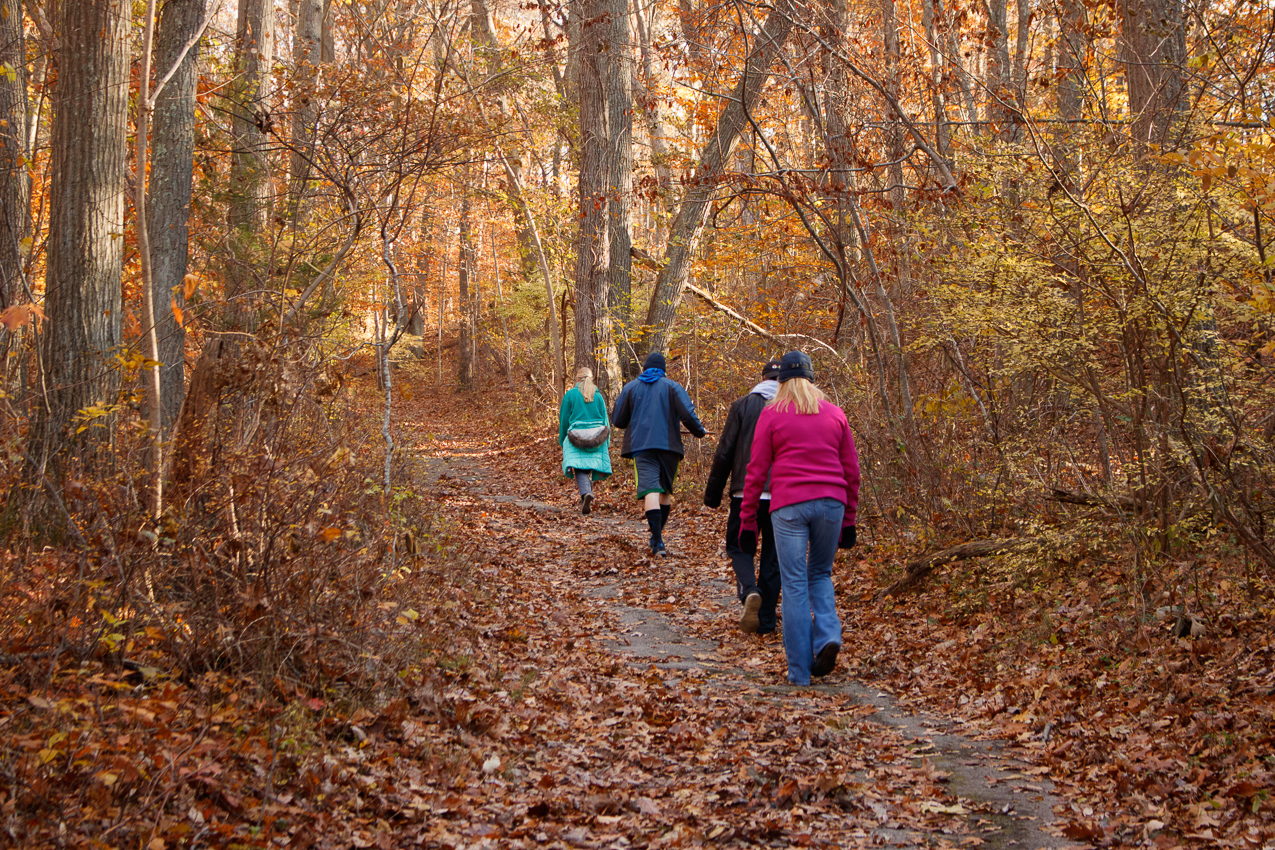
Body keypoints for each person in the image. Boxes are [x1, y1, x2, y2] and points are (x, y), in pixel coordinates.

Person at [738, 351, 860, 686]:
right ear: (811, 378)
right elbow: (852, 472)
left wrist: (748, 522)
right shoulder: (835, 415)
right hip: (831, 504)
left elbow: (756, 472)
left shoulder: (772, 415)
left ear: (781, 381)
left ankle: (799, 672)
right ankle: (828, 636)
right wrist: (849, 519)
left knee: (793, 585)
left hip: (789, 505)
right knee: (819, 574)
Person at [704, 358, 783, 635]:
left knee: (740, 547)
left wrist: (712, 494)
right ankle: (767, 621)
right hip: (782, 495)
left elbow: (725, 450)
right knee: (774, 556)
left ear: (761, 379)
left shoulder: (743, 405)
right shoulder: (793, 407)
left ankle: (749, 589)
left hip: (745, 490)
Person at [611, 351, 707, 556]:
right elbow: (688, 414)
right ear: (663, 370)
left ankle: (657, 541)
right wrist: (700, 432)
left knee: (651, 491)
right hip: (670, 447)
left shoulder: (631, 388)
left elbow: (618, 420)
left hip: (642, 447)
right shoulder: (672, 387)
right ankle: (657, 539)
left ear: (644, 368)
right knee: (664, 492)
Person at [558, 366, 612, 514]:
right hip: (597, 435)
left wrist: (562, 439)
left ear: (577, 378)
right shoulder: (598, 396)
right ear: (591, 378)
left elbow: (564, 420)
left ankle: (586, 495)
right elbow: (605, 420)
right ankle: (586, 496)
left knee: (580, 467)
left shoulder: (570, 395)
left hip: (577, 436)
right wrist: (606, 440)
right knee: (588, 466)